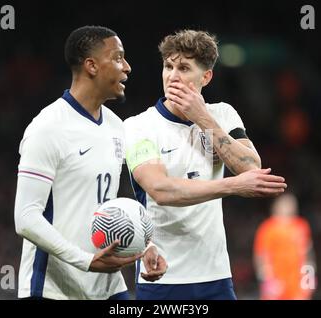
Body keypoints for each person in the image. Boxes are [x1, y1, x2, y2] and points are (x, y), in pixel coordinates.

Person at [123, 29, 287, 300]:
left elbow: (251, 169)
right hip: (162, 278)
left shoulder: (222, 114)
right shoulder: (139, 126)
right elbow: (161, 191)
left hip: (216, 277)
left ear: (206, 76)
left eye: (184, 68)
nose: (173, 76)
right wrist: (232, 186)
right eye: (168, 66)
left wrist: (204, 119)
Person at [14, 26, 166, 300]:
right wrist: (85, 260)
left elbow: (111, 204)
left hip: (107, 286)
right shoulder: (47, 128)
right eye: (118, 58)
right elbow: (25, 218)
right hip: (52, 289)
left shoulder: (117, 127)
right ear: (92, 65)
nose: (128, 67)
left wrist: (145, 246)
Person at [253, 193, 316, 300]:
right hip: (276, 283)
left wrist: (309, 278)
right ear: (276, 206)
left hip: (297, 283)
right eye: (285, 204)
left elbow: (308, 254)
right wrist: (267, 281)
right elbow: (261, 256)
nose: (289, 207)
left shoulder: (302, 225)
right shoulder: (267, 228)